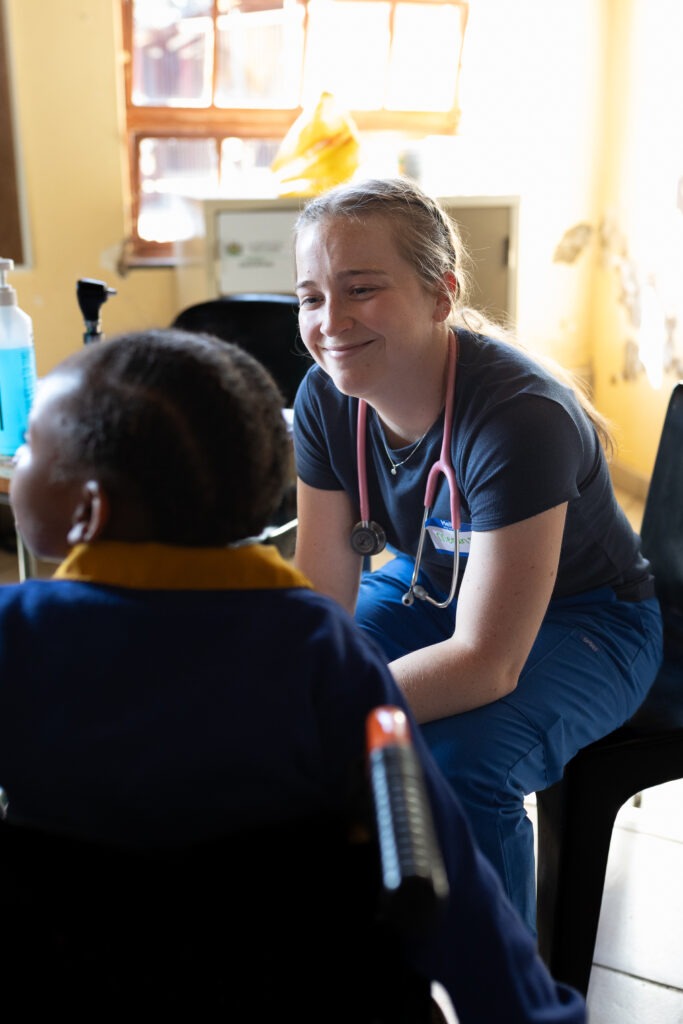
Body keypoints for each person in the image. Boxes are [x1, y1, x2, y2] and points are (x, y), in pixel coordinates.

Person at [0, 328, 586, 1022]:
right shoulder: (322, 651)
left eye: (28, 446)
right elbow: (440, 857)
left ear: (88, 513)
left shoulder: (16, 635)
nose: (18, 460)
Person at [292, 177, 664, 933]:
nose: (331, 322)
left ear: (441, 295)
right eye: (311, 297)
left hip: (589, 621)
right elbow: (320, 599)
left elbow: (487, 663)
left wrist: (337, 703)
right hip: (432, 585)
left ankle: (498, 983)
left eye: (361, 289)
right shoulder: (325, 397)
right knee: (294, 699)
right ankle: (355, 945)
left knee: (457, 765)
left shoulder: (519, 417)